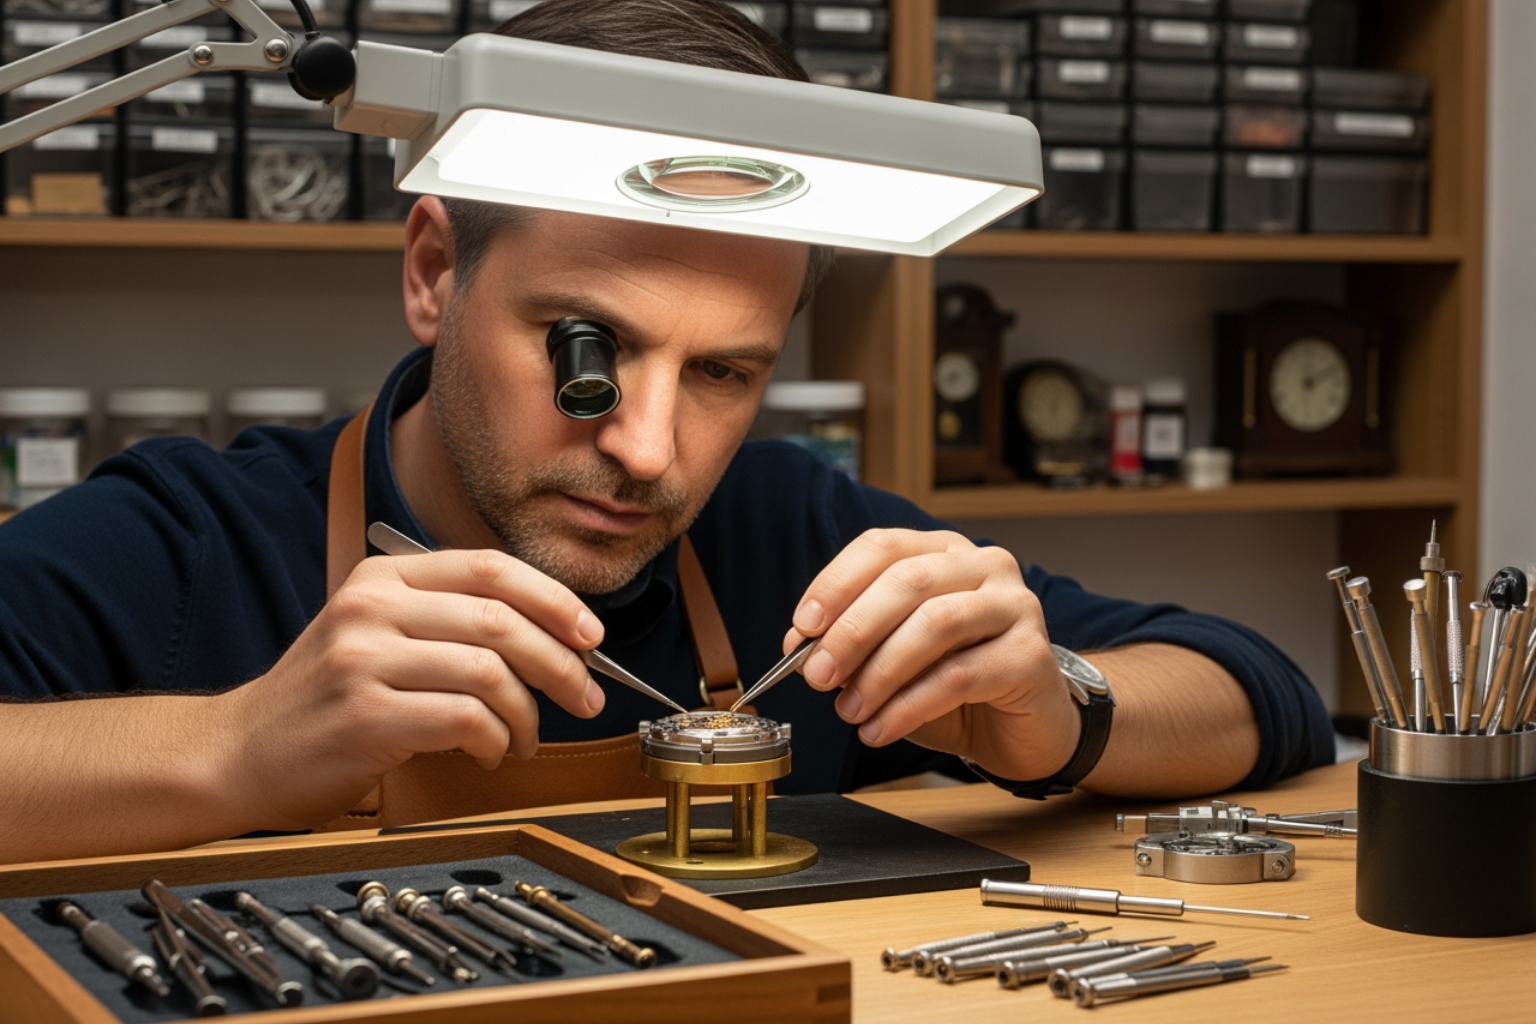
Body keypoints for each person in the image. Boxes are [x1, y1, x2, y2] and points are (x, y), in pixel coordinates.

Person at [0, 0, 1333, 864]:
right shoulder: (189, 546)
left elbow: (1262, 696)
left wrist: (1055, 708)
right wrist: (234, 745)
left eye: (725, 374)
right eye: (591, 349)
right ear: (431, 275)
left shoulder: (792, 532)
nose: (650, 450)